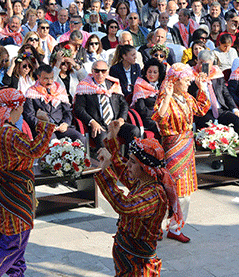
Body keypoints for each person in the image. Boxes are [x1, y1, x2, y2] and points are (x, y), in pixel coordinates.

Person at [0, 89, 55, 277]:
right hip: (15, 190)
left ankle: (15, 274)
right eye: (22, 105)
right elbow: (36, 150)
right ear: (14, 107)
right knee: (14, 241)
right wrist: (44, 123)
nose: (23, 109)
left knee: (6, 234)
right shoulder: (10, 133)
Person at [95, 122, 181, 277]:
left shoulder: (154, 194)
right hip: (127, 259)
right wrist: (112, 138)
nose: (128, 164)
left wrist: (105, 171)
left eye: (133, 162)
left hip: (139, 266)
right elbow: (122, 168)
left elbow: (124, 205)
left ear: (146, 168)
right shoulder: (142, 180)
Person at [152, 63, 211, 243]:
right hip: (173, 146)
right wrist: (168, 97)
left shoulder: (186, 97)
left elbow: (201, 109)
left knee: (184, 191)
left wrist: (202, 88)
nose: (188, 83)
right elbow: (159, 120)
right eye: (185, 80)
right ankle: (155, 226)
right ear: (175, 81)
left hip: (187, 145)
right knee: (167, 188)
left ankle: (176, 227)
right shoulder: (165, 97)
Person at [73, 60, 139, 146]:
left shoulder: (113, 85)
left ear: (107, 72)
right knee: (104, 139)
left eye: (103, 71)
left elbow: (124, 104)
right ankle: (106, 159)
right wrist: (92, 122)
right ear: (92, 71)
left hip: (115, 123)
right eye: (97, 71)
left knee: (134, 130)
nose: (100, 74)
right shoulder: (84, 86)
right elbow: (79, 109)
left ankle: (127, 158)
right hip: (98, 125)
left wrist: (121, 119)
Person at [23, 64, 84, 142]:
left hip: (61, 127)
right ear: (38, 77)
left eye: (51, 78)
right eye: (46, 79)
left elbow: (67, 111)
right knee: (53, 142)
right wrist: (45, 126)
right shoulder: (31, 92)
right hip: (43, 129)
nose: (49, 82)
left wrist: (65, 124)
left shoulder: (59, 90)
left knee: (80, 138)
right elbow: (29, 116)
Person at [189, 50, 239, 133]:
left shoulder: (217, 74)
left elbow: (226, 93)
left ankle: (233, 145)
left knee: (236, 121)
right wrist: (197, 85)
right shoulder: (191, 74)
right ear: (197, 61)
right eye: (201, 63)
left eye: (206, 64)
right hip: (203, 111)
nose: (203, 66)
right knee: (211, 125)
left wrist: (234, 109)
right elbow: (189, 95)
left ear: (212, 64)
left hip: (219, 108)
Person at [132, 59, 165, 136]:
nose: (152, 75)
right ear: (146, 73)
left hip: (163, 116)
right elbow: (141, 109)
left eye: (155, 72)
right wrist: (157, 115)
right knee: (164, 126)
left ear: (159, 74)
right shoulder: (140, 86)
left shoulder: (162, 86)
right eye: (149, 72)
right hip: (149, 118)